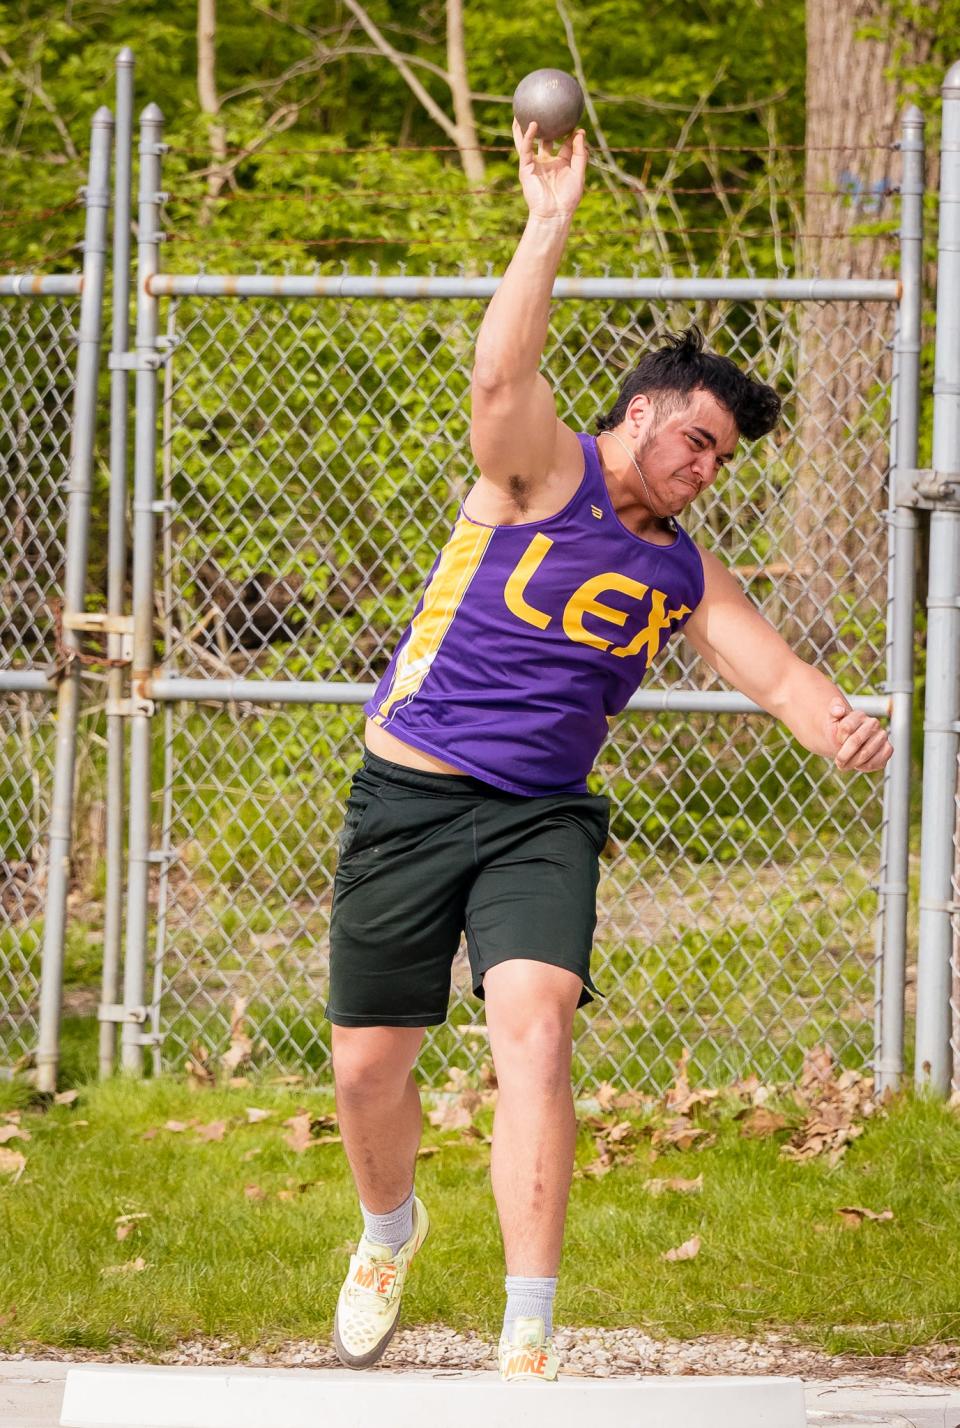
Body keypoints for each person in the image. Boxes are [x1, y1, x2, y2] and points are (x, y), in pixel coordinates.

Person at [325, 119, 893, 1383]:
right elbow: (495, 376)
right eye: (694, 440)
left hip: (541, 818)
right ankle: (387, 1228)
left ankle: (527, 1335)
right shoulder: (539, 473)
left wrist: (838, 723)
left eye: (722, 459)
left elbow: (780, 672)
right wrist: (548, 222)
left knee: (535, 1024)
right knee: (370, 1069)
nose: (704, 469)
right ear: (639, 414)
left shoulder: (683, 570)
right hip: (410, 793)